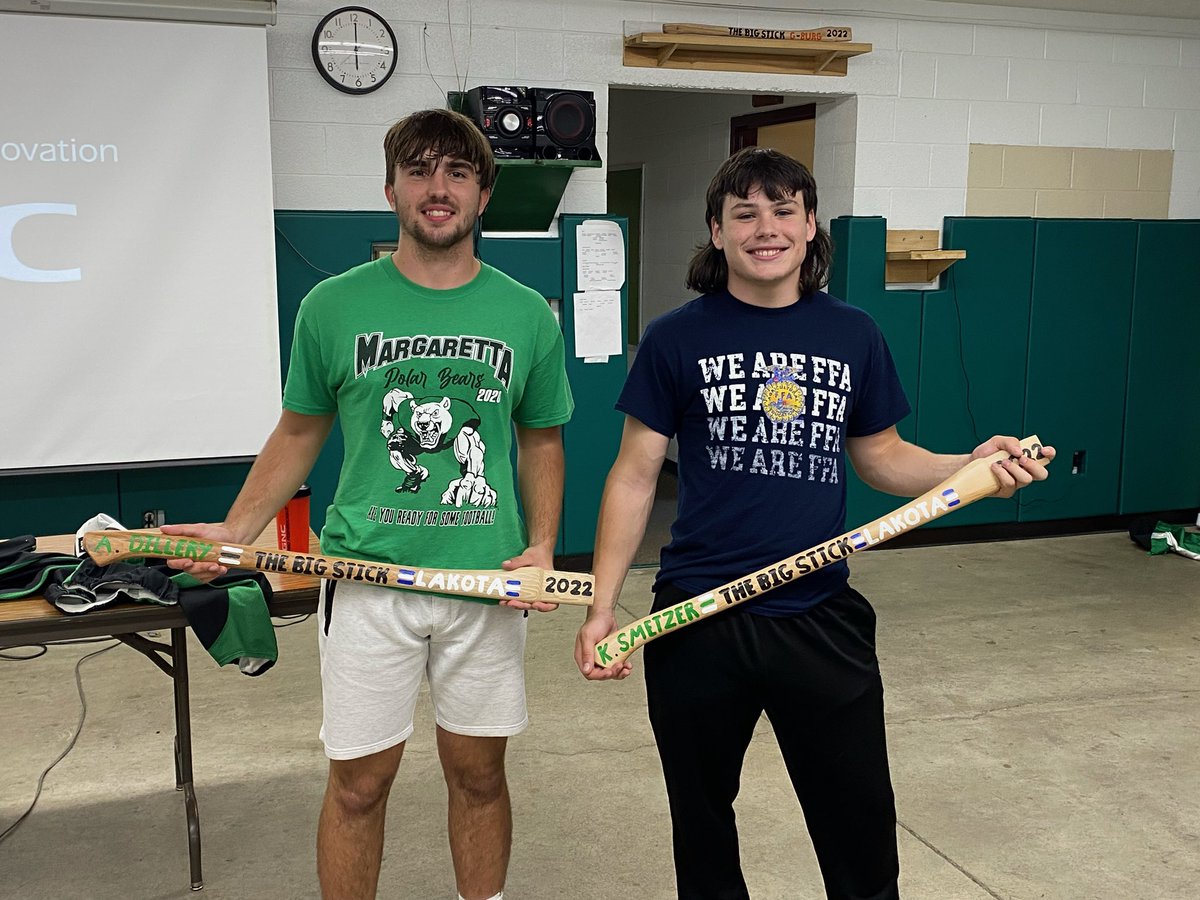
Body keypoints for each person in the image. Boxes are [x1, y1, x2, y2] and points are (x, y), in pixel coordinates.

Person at [573, 147, 1053, 900]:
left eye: (782, 209)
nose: (766, 228)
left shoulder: (853, 333)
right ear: (717, 232)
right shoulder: (675, 338)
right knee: (702, 827)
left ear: (810, 224)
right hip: (697, 618)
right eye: (745, 213)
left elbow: (885, 459)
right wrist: (604, 609)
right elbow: (634, 475)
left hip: (819, 615)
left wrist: (973, 468)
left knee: (858, 824)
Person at [162, 108, 574, 900]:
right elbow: (299, 431)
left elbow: (542, 439)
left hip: (482, 584)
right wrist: (235, 529)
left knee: (480, 777)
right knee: (358, 785)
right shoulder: (332, 306)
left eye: (457, 172)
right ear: (391, 189)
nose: (438, 188)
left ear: (484, 194)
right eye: (419, 170)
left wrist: (543, 546)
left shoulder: (525, 314)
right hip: (365, 582)